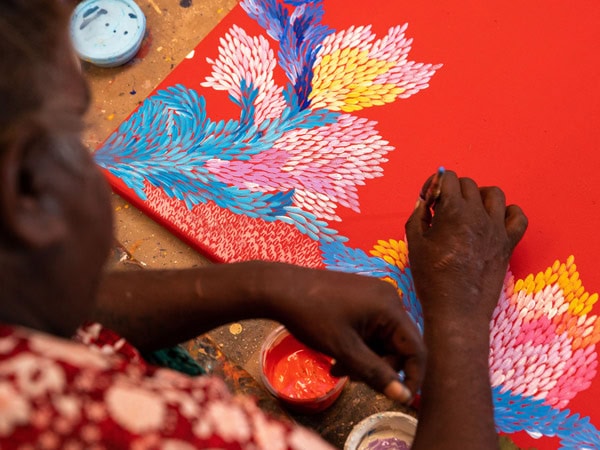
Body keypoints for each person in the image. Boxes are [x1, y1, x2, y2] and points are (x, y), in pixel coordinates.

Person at [0, 1, 527, 449]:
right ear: (25, 192)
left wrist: (264, 284)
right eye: (77, 126)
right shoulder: (149, 431)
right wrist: (458, 322)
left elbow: (60, 316)